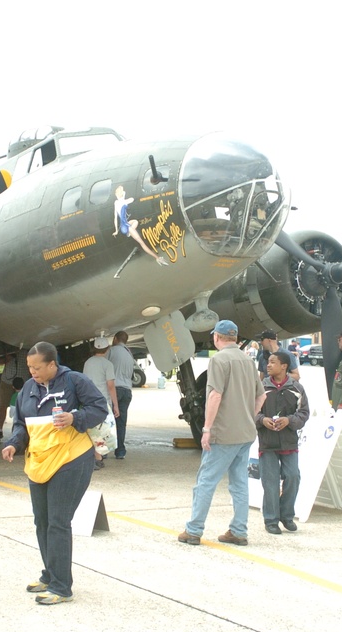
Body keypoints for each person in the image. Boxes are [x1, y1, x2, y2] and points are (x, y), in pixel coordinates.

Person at [1, 342, 107, 605]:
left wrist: (75, 418)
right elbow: (21, 423)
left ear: (52, 364)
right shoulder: (28, 388)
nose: (32, 372)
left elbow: (99, 408)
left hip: (71, 459)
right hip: (40, 460)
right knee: (42, 521)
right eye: (29, 368)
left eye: (37, 368)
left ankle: (62, 587)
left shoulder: (74, 381)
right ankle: (50, 574)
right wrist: (14, 443)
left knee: (59, 521)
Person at [178, 320, 265, 547]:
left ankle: (194, 530)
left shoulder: (219, 360)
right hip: (245, 433)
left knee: (205, 482)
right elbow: (261, 396)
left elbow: (215, 395)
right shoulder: (248, 360)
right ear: (234, 338)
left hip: (223, 433)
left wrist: (206, 428)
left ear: (217, 337)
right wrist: (248, 415)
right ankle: (239, 531)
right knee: (239, 484)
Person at [255, 350, 309, 535]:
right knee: (270, 482)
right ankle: (271, 520)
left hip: (289, 442)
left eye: (272, 362)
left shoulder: (297, 388)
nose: (268, 365)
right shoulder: (261, 387)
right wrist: (262, 420)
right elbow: (250, 411)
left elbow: (303, 413)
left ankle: (287, 516)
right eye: (267, 363)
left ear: (284, 366)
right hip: (267, 443)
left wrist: (289, 421)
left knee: (293, 476)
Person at [83, 337, 120, 470]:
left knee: (92, 429)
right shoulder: (107, 364)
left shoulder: (87, 362)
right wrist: (115, 405)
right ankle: (98, 458)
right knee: (101, 431)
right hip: (102, 402)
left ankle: (94, 457)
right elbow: (110, 386)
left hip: (88, 400)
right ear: (107, 349)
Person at [112, 185, 169, 266]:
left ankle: (129, 233)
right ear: (122, 194)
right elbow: (131, 199)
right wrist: (124, 195)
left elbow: (115, 217)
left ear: (116, 195)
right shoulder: (125, 201)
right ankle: (157, 258)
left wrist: (116, 231)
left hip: (124, 225)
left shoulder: (116, 202)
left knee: (135, 221)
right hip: (126, 226)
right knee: (142, 243)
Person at [0, 349, 30, 444]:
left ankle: (22, 432)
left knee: (24, 408)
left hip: (23, 380)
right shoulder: (7, 345)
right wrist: (10, 356)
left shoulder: (29, 344)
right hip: (7, 380)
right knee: (2, 406)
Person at [107, 331, 134, 460]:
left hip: (115, 390)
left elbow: (104, 366)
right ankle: (120, 451)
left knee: (107, 420)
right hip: (127, 391)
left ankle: (104, 450)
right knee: (121, 422)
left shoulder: (112, 351)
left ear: (115, 338)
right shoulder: (129, 353)